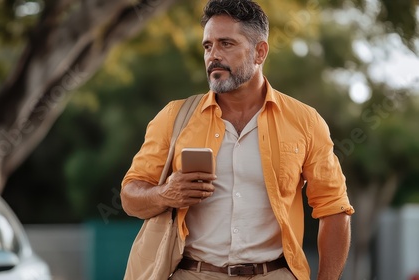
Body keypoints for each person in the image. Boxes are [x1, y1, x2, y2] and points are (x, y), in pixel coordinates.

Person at [121, 0, 354, 279]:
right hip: (193, 273)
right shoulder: (174, 117)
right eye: (208, 46)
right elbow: (130, 197)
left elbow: (334, 209)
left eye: (226, 44)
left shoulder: (305, 121)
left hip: (274, 273)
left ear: (260, 52)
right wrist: (165, 194)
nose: (213, 55)